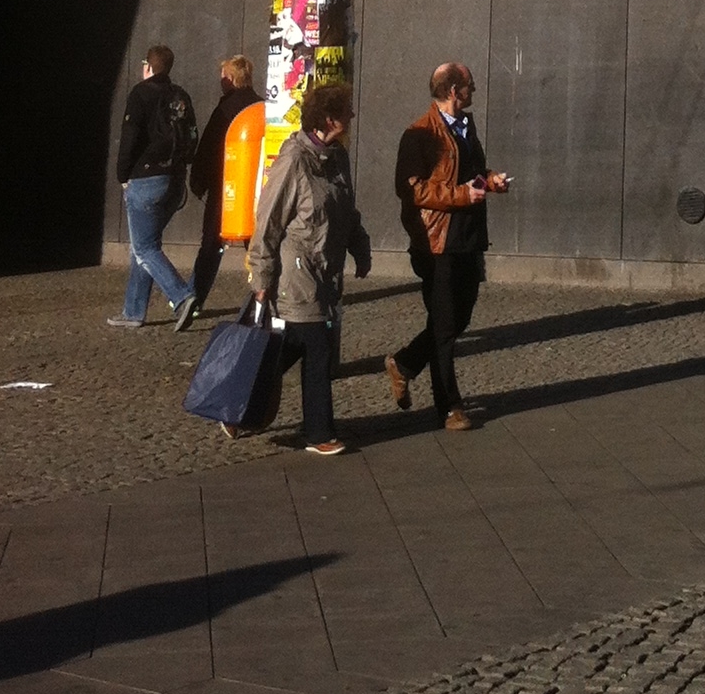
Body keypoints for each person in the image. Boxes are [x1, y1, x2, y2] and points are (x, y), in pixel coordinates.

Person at [247, 78, 371, 455]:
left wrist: (360, 247)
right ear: (328, 119)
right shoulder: (293, 160)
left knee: (295, 346)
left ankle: (240, 406)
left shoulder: (336, 157)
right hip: (295, 267)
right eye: (345, 112)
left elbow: (346, 209)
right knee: (317, 348)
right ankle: (318, 433)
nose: (351, 117)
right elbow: (267, 220)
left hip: (325, 268)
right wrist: (261, 274)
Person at [386, 62, 510, 428]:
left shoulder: (467, 127)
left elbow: (474, 171)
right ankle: (449, 406)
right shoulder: (419, 134)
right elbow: (411, 188)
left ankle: (404, 363)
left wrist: (490, 181)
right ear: (454, 91)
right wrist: (460, 195)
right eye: (470, 85)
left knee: (461, 315)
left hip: (469, 236)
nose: (474, 90)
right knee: (443, 325)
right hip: (436, 241)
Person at [110, 44, 199, 328]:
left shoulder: (141, 93)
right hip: (174, 180)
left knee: (144, 248)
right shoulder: (180, 95)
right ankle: (133, 311)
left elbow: (130, 138)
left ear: (148, 66)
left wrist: (123, 175)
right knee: (146, 244)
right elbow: (192, 135)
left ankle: (182, 296)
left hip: (146, 179)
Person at [186, 53, 263, 320]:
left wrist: (198, 180)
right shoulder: (260, 107)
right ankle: (263, 294)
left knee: (211, 245)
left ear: (230, 79)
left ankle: (193, 298)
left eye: (223, 77)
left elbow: (209, 148)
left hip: (226, 188)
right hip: (256, 191)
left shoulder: (225, 108)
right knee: (255, 247)